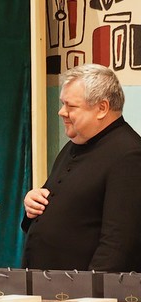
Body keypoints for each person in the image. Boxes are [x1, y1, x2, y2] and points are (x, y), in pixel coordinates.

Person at [21, 63, 141, 272]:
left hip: (82, 298)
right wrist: (32, 207)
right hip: (52, 289)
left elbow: (119, 242)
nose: (61, 112)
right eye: (62, 104)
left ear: (102, 108)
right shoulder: (74, 144)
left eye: (71, 106)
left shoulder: (129, 155)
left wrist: (91, 297)